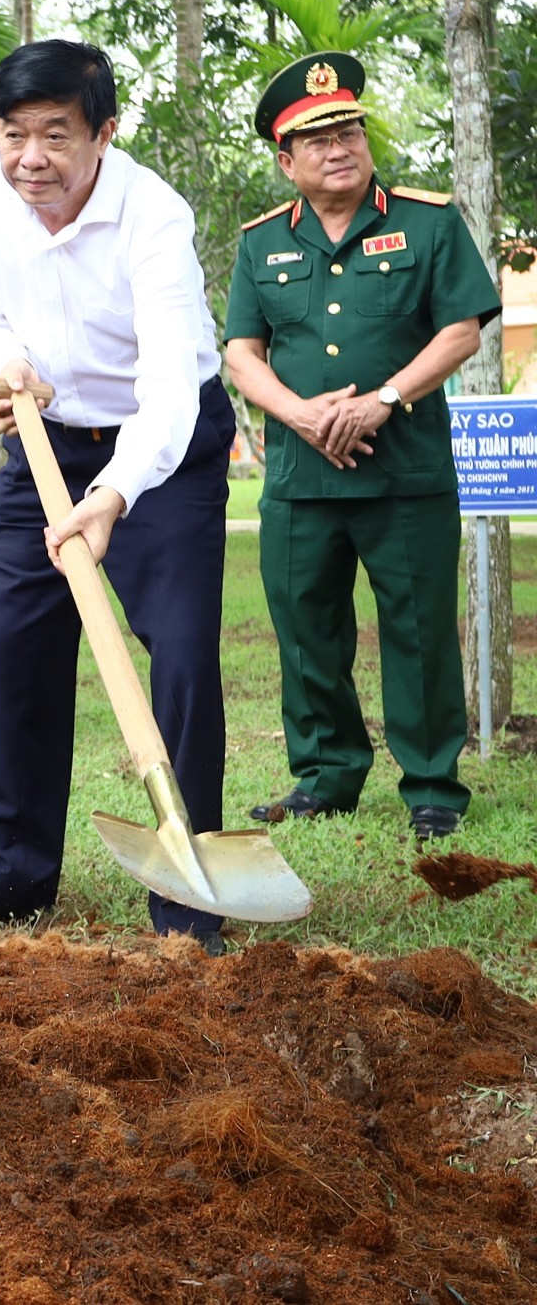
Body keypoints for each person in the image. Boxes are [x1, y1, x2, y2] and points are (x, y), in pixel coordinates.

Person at [0, 40, 236, 955]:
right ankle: (7, 871)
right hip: (43, 438)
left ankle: (187, 901)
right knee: (12, 647)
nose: (31, 158)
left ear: (105, 133)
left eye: (57, 133)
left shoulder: (153, 218)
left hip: (160, 451)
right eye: (14, 133)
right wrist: (3, 363)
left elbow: (172, 387)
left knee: (176, 652)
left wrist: (116, 493)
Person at [223, 53, 500, 840]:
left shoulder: (428, 221)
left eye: (348, 129)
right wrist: (300, 415)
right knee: (307, 628)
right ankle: (326, 775)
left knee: (417, 628)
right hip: (299, 476)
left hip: (405, 471)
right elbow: (242, 352)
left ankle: (433, 784)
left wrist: (384, 400)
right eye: (315, 139)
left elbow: (461, 330)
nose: (338, 145)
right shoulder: (261, 243)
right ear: (287, 160)